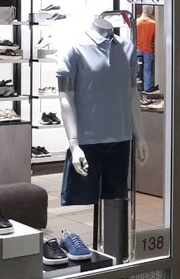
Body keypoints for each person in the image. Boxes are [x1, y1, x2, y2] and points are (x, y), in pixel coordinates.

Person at [56, 16, 148, 206]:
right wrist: (73, 144)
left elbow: (132, 94)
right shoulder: (74, 47)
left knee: (114, 201)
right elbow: (65, 98)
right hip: (87, 142)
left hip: (120, 140)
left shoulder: (127, 47)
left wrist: (140, 136)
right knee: (82, 199)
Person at [136, 5, 156, 91]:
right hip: (148, 50)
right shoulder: (153, 23)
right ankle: (147, 88)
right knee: (147, 70)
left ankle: (137, 87)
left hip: (138, 49)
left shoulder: (136, 22)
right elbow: (155, 38)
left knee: (137, 69)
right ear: (150, 10)